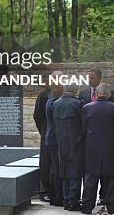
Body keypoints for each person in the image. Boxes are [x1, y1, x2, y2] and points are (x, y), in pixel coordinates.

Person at [81, 83, 114, 215]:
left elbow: (83, 130)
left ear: (96, 94)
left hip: (91, 148)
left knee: (90, 179)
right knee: (110, 178)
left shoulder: (87, 108)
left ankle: (87, 207)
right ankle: (112, 206)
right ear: (109, 94)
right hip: (110, 148)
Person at [52, 83, 85, 211]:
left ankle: (66, 200)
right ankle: (73, 202)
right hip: (76, 142)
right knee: (75, 173)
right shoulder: (78, 104)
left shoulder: (55, 103)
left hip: (61, 142)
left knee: (64, 173)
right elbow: (83, 124)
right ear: (75, 90)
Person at [45, 74, 64, 207]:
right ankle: (57, 197)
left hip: (52, 139)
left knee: (55, 169)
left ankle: (55, 196)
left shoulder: (51, 100)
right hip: (54, 139)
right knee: (57, 169)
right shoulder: (53, 102)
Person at [34, 85, 51, 202]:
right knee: (46, 162)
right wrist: (44, 130)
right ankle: (45, 190)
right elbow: (38, 116)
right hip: (47, 132)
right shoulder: (43, 95)